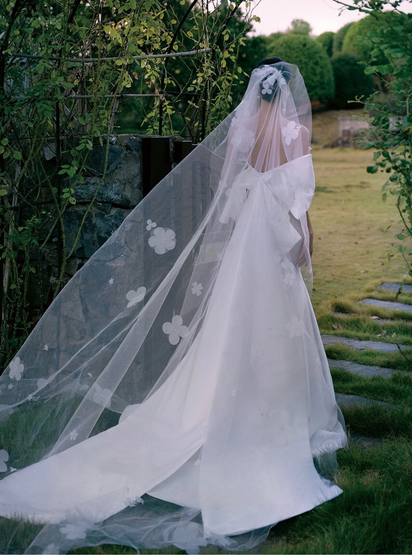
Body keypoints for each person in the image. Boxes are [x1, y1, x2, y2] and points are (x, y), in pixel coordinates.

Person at [0, 58, 347, 554]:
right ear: (286, 94)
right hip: (272, 234)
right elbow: (299, 200)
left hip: (247, 231)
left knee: (232, 324)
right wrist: (304, 244)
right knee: (276, 327)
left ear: (257, 92)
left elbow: (224, 187)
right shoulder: (292, 132)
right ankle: (272, 421)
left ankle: (219, 407)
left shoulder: (244, 126)